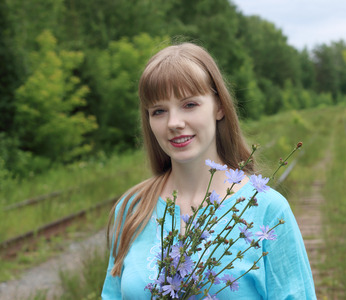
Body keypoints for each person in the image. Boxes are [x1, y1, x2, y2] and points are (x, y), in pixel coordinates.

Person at [101, 42, 316, 299]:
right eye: (159, 111)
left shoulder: (267, 210)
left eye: (189, 105)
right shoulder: (132, 209)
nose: (174, 123)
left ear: (219, 106)